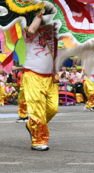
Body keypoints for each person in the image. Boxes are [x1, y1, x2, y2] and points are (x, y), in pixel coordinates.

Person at [22, 15, 59, 151]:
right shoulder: (27, 30)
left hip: (49, 77)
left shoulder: (54, 32)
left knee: (53, 109)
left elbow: (54, 53)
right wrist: (40, 12)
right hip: (33, 75)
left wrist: (55, 71)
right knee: (37, 110)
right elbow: (31, 30)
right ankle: (38, 140)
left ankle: (31, 125)